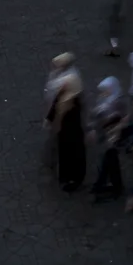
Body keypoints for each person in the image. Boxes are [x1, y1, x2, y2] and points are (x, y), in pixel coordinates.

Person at [45, 53, 86, 191]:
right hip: (63, 132)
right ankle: (64, 175)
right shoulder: (64, 94)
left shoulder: (73, 101)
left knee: (73, 155)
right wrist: (50, 119)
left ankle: (73, 179)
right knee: (64, 153)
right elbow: (55, 104)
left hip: (70, 133)